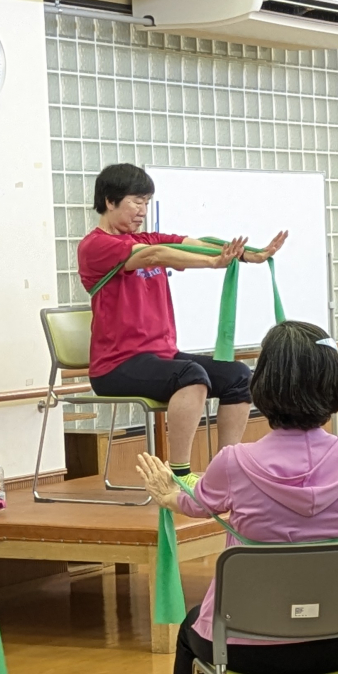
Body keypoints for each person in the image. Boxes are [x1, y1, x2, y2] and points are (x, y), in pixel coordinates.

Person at [134, 322, 338, 674]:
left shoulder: (235, 462)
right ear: (332, 382)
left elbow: (196, 503)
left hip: (247, 647)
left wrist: (167, 493)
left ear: (266, 383)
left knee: (190, 632)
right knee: (307, 608)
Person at [77, 162, 288, 473]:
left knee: (238, 377)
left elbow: (198, 243)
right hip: (116, 365)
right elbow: (155, 255)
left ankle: (224, 471)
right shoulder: (96, 246)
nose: (142, 211)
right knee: (190, 376)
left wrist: (247, 256)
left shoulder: (149, 238)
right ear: (110, 201)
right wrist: (213, 264)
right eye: (136, 201)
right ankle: (179, 473)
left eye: (146, 202)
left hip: (161, 356)